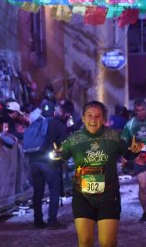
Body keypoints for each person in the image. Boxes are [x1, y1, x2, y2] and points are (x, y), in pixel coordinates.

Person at [56, 101, 129, 246]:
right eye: (89, 115)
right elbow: (58, 157)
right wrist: (55, 156)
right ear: (83, 118)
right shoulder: (73, 139)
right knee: (85, 241)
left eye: (98, 116)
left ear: (103, 119)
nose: (93, 120)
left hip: (109, 197)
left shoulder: (114, 137)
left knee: (107, 242)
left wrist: (135, 150)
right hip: (82, 197)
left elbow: (129, 153)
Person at [25, 100, 67, 230]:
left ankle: (38, 220)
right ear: (54, 112)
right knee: (54, 190)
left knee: (38, 192)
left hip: (34, 162)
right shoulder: (58, 125)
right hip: (49, 163)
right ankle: (52, 220)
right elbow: (62, 146)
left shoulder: (36, 123)